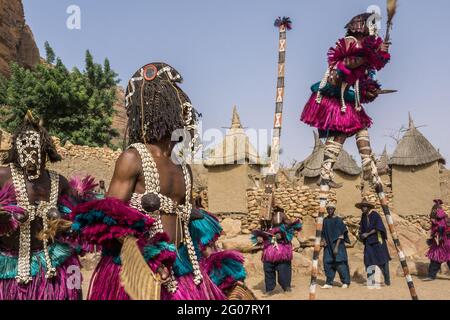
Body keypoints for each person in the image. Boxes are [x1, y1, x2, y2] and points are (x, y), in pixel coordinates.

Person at [70, 62, 247, 300]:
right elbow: (109, 225)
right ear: (163, 111)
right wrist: (147, 256)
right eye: (181, 110)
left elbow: (189, 224)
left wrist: (216, 265)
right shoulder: (132, 158)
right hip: (137, 275)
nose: (189, 118)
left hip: (182, 270)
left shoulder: (183, 167)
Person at [0, 112, 92, 300]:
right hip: (9, 266)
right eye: (25, 149)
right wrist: (7, 218)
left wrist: (61, 220)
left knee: (72, 290)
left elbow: (77, 224)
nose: (30, 157)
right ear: (17, 149)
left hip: (51, 266)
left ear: (45, 150)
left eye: (35, 150)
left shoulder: (60, 182)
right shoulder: (3, 176)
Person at [300, 13, 391, 188]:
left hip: (346, 98)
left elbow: (363, 78)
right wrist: (371, 54)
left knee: (348, 130)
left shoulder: (363, 46)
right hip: (334, 97)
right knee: (352, 128)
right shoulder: (350, 41)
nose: (373, 31)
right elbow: (346, 64)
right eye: (370, 27)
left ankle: (344, 169)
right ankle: (362, 166)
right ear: (361, 27)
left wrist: (370, 89)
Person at [252, 205, 302, 294]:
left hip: (282, 247)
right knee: (268, 267)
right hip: (269, 247)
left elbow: (290, 227)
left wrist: (282, 234)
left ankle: (286, 286)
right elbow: (261, 231)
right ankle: (269, 288)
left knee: (283, 267)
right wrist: (259, 237)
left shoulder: (281, 215)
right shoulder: (263, 218)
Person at [357, 198, 391, 286]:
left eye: (365, 207)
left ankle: (387, 280)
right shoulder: (363, 216)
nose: (363, 208)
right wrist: (361, 234)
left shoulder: (375, 215)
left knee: (383, 261)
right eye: (362, 207)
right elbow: (362, 228)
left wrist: (367, 234)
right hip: (368, 243)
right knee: (368, 261)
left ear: (368, 207)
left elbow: (378, 227)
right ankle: (371, 280)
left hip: (378, 242)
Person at [321, 202, 351, 289]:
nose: (330, 210)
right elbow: (322, 233)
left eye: (331, 209)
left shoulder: (338, 220)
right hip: (328, 246)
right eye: (328, 209)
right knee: (327, 262)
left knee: (340, 263)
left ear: (334, 210)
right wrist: (323, 240)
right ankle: (329, 282)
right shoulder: (325, 220)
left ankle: (345, 282)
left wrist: (336, 247)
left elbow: (341, 234)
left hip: (338, 245)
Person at [423, 200, 450, 281]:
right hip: (442, 243)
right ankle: (431, 276)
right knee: (437, 259)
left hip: (444, 242)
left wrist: (436, 234)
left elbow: (441, 229)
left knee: (437, 259)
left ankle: (431, 276)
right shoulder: (444, 218)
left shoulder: (441, 220)